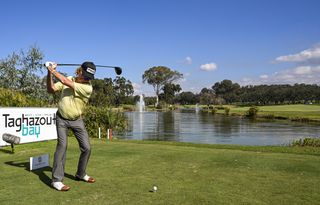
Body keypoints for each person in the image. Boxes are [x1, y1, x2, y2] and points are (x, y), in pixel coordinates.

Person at [46, 61, 96, 191]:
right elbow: (50, 90)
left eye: (88, 78)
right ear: (79, 71)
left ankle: (80, 174)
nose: (86, 79)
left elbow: (63, 80)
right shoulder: (69, 78)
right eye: (85, 76)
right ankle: (56, 180)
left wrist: (52, 69)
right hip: (61, 118)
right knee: (62, 146)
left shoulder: (88, 88)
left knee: (87, 148)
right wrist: (49, 73)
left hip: (77, 120)